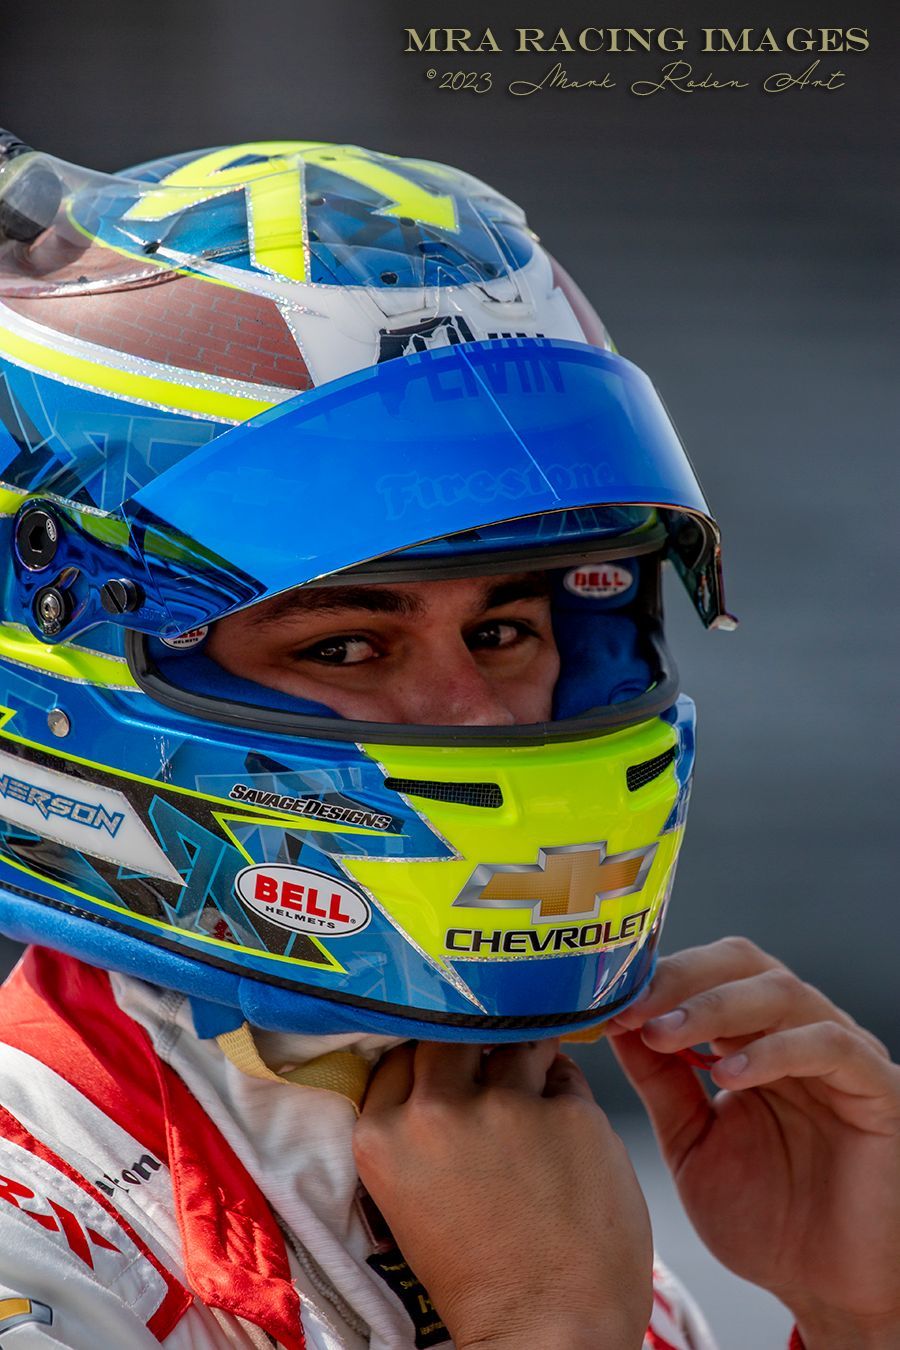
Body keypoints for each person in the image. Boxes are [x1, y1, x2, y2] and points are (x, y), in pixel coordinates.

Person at [0, 132, 894, 1350]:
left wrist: (853, 1312)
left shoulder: (514, 1177)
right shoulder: (37, 1242)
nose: (476, 714)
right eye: (346, 646)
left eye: (507, 630)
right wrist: (546, 1327)